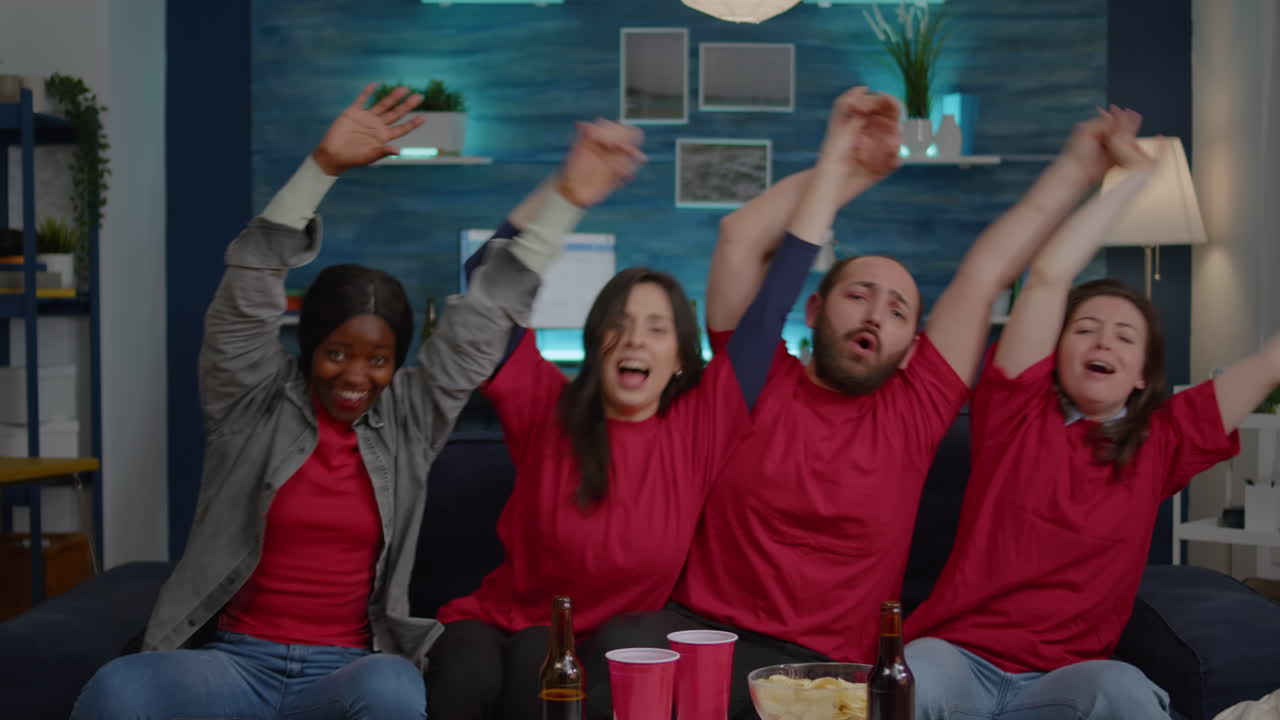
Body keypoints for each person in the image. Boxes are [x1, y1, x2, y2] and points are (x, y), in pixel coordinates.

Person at [68, 84, 644, 720]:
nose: (356, 377)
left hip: (344, 668)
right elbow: (251, 280)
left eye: (378, 360)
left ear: (397, 364)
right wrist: (321, 168)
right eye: (337, 353)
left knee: (395, 689)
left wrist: (566, 201)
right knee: (119, 688)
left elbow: (489, 313)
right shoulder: (247, 400)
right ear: (309, 345)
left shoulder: (409, 418)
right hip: (234, 662)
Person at [590, 99, 1164, 719]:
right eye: (858, 295)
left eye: (896, 310)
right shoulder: (753, 376)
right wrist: (851, 170)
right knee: (613, 659)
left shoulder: (915, 409)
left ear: (915, 344)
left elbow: (989, 268)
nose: (873, 314)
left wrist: (1079, 169)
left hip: (820, 667)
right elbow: (740, 236)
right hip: (704, 630)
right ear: (814, 311)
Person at [426, 86, 904, 720]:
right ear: (597, 342)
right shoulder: (548, 404)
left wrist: (836, 154)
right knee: (464, 671)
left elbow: (779, 285)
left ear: (680, 356)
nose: (634, 339)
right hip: (499, 619)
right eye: (620, 324)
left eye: (656, 328)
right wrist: (568, 192)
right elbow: (487, 281)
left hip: (607, 647)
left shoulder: (702, 425)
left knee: (537, 675)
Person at [903, 108, 1279, 720]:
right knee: (913, 672)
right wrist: (1129, 178)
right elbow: (1050, 275)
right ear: (1055, 353)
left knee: (1125, 691)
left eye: (1125, 338)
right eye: (1086, 329)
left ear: (1141, 378)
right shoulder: (1016, 412)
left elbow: (1267, 364)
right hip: (959, 661)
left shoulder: (1163, 441)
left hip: (1066, 681)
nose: (1104, 342)